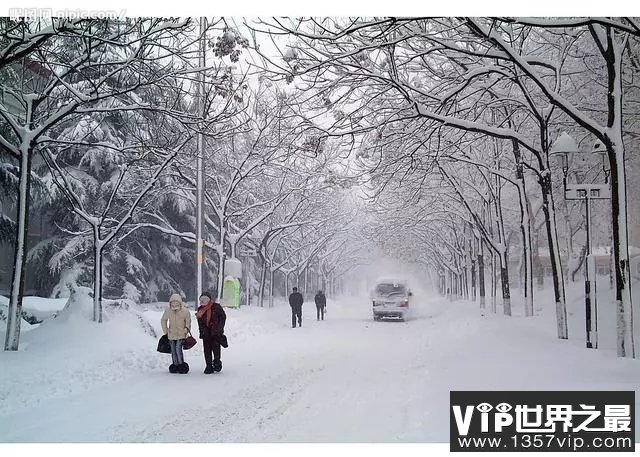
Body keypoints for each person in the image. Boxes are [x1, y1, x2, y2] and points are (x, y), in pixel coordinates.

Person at [196, 290, 226, 374]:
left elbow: (223, 317)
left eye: (205, 299)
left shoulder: (216, 306)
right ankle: (208, 366)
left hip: (215, 332)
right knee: (207, 350)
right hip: (206, 333)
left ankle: (217, 363)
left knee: (216, 349)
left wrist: (219, 329)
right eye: (201, 299)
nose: (203, 301)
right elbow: (200, 322)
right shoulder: (200, 310)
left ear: (209, 299)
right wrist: (201, 332)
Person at [161, 293, 191, 374]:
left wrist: (186, 329)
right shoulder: (168, 310)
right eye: (173, 302)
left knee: (178, 349)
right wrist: (166, 331)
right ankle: (175, 365)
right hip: (171, 334)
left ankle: (181, 365)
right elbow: (163, 320)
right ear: (170, 302)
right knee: (173, 350)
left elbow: (188, 322)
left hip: (181, 334)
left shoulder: (185, 311)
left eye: (176, 302)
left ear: (180, 302)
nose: (174, 304)